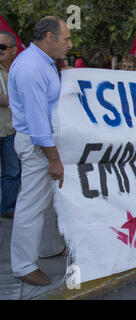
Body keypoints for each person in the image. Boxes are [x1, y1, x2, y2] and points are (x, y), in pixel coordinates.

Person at [8, 16, 72, 286]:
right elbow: (37, 121)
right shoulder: (31, 68)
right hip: (38, 145)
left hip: (43, 144)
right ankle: (23, 265)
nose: (70, 44)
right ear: (50, 37)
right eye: (66, 38)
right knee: (31, 206)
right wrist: (54, 158)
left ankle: (46, 248)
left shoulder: (42, 64)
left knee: (45, 203)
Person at [0, 31, 21, 219]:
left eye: (3, 47)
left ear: (13, 50)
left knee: (13, 172)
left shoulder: (19, 69)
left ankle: (8, 209)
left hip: (12, 129)